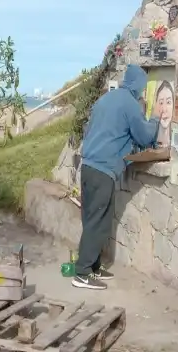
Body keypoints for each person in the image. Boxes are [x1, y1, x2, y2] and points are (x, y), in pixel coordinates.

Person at [72, 64, 161, 290]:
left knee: (91, 219)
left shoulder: (106, 99)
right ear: (139, 84)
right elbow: (143, 136)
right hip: (103, 171)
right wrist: (155, 120)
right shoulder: (129, 104)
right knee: (100, 222)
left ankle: (92, 266)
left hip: (89, 166)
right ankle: (82, 273)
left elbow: (92, 131)